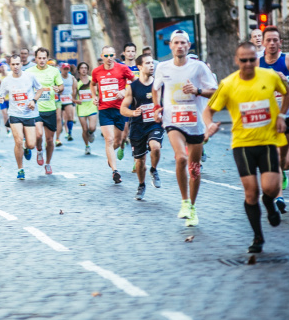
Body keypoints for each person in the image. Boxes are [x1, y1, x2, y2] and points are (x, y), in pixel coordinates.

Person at [203, 42, 289, 253]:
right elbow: (208, 110)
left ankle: (269, 204)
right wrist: (209, 125)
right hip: (242, 145)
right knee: (251, 193)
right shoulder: (228, 84)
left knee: (271, 188)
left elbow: (287, 92)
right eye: (243, 60)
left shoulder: (270, 77)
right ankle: (258, 237)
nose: (248, 64)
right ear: (236, 60)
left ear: (257, 60)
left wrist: (281, 114)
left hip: (268, 141)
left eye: (252, 59)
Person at [152, 30, 218, 226]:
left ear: (189, 46)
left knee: (195, 169)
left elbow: (215, 92)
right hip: (173, 120)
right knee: (181, 157)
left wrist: (197, 90)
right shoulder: (162, 67)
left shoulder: (198, 67)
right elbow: (155, 89)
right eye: (176, 43)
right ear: (171, 46)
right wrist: (157, 108)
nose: (180, 46)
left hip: (195, 123)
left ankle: (192, 207)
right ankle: (184, 201)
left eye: (183, 43)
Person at [258, 26, 289, 213]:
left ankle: (281, 174)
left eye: (275, 40)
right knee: (274, 155)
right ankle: (278, 196)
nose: (272, 43)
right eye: (268, 40)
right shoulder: (257, 63)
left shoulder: (288, 60)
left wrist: (288, 80)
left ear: (280, 42)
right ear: (263, 43)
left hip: (287, 116)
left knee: (284, 161)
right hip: (266, 118)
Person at [120, 54, 163, 200]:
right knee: (140, 162)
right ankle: (141, 184)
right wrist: (133, 112)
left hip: (154, 124)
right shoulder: (133, 87)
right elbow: (123, 108)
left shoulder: (158, 84)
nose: (151, 66)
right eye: (148, 63)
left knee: (155, 146)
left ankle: (154, 169)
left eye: (152, 63)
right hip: (138, 126)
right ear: (139, 67)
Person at [0, 54, 46, 180]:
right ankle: (20, 169)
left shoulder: (29, 76)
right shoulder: (6, 80)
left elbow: (40, 89)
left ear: (21, 64)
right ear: (10, 65)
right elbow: (0, 95)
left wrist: (33, 101)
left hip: (29, 114)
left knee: (31, 144)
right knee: (18, 140)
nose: (15, 66)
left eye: (17, 64)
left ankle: (26, 148)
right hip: (14, 114)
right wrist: (0, 98)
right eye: (13, 64)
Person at [92, 46, 136, 183]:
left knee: (118, 140)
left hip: (120, 109)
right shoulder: (96, 71)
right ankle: (115, 172)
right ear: (102, 56)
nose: (109, 58)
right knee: (109, 140)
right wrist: (94, 96)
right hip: (104, 110)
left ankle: (110, 156)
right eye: (106, 56)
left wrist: (124, 91)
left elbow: (135, 82)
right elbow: (93, 84)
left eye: (111, 55)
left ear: (115, 55)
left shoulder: (122, 69)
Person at [30, 48, 64, 175]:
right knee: (38, 135)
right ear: (36, 58)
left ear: (47, 58)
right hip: (36, 109)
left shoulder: (54, 71)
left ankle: (48, 163)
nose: (42, 60)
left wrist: (58, 88)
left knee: (50, 140)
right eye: (39, 58)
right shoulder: (29, 72)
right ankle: (39, 149)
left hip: (50, 109)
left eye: (44, 58)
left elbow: (61, 86)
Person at [75, 62, 98, 155]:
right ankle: (87, 146)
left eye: (85, 68)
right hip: (81, 108)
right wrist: (76, 101)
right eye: (82, 68)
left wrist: (97, 98)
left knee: (92, 127)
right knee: (84, 129)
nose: (84, 70)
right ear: (79, 70)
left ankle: (91, 133)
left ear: (87, 69)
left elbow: (98, 93)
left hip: (91, 106)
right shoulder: (76, 82)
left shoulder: (92, 80)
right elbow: (72, 97)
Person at [58, 63, 78, 142]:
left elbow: (74, 89)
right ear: (61, 69)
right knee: (59, 119)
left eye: (67, 69)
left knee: (70, 117)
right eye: (64, 69)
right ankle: (58, 136)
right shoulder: (58, 77)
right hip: (60, 99)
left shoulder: (72, 78)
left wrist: (74, 98)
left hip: (68, 99)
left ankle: (69, 132)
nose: (66, 71)